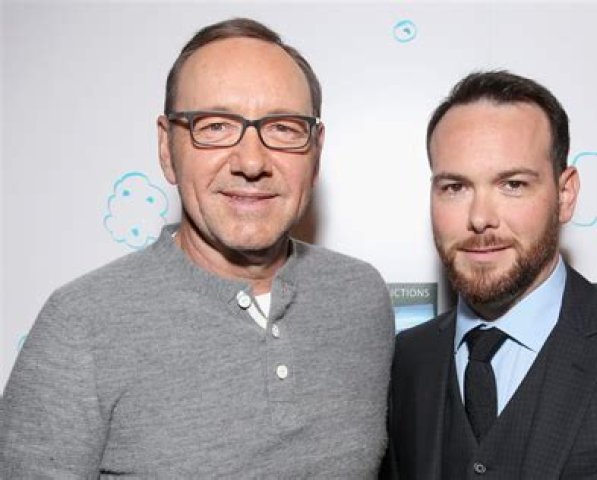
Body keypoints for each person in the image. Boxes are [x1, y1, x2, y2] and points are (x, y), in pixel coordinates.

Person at [1, 18, 394, 477]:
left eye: (284, 129)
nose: (251, 162)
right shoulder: (80, 324)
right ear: (167, 148)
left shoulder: (361, 297)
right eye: (216, 126)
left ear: (316, 151)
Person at [382, 71, 597, 479]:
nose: (480, 218)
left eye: (513, 184)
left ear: (565, 195)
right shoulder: (405, 361)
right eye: (455, 187)